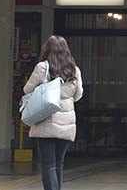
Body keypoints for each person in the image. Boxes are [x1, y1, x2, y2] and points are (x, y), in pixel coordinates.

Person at [24, 36, 84, 190]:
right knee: (58, 163)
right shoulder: (74, 70)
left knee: (48, 164)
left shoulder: (42, 68)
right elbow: (78, 95)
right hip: (66, 124)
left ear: (47, 49)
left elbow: (27, 90)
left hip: (45, 120)